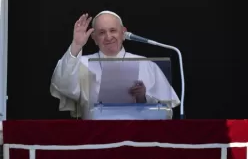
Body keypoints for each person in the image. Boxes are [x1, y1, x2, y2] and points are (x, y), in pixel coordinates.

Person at [50, 11, 180, 119]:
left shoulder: (145, 64)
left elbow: (166, 111)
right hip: (94, 136)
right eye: (101, 32)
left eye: (113, 30)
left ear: (123, 33)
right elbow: (63, 86)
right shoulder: (82, 63)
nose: (108, 37)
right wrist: (76, 45)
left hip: (136, 136)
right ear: (94, 38)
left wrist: (142, 97)